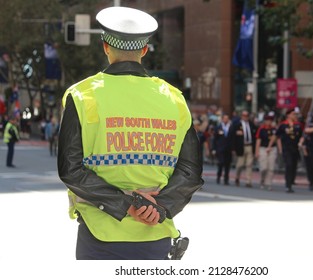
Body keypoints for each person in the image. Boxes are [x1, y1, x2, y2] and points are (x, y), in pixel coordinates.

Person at [57, 7, 203, 260]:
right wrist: (159, 206)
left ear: (105, 46)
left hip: (99, 235)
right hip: (155, 234)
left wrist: (126, 205)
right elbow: (190, 170)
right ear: (144, 50)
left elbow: (70, 169)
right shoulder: (174, 98)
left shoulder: (81, 95)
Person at [276, 108, 303, 193]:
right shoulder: (283, 125)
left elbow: (302, 136)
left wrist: (301, 142)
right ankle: (288, 185)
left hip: (295, 148)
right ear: (288, 115)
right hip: (286, 148)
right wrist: (280, 149)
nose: (295, 116)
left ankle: (291, 181)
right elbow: (278, 137)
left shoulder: (298, 125)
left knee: (294, 166)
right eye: (293, 114)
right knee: (289, 165)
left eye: (295, 114)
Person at [231, 110, 256, 187]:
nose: (245, 117)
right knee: (240, 164)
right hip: (241, 146)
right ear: (241, 116)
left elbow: (255, 136)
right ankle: (237, 177)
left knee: (249, 164)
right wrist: (233, 148)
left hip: (249, 145)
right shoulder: (237, 125)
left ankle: (248, 181)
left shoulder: (251, 124)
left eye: (247, 116)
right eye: (244, 115)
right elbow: (233, 137)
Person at [255, 113, 277, 190]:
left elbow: (275, 138)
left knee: (271, 167)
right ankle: (262, 179)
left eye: (270, 120)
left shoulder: (274, 129)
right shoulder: (261, 129)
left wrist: (270, 147)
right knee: (263, 167)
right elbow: (258, 140)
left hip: (272, 149)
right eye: (267, 120)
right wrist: (256, 151)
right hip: (262, 148)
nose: (269, 122)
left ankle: (269, 183)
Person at [213, 113, 232, 185]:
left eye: (227, 118)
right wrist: (214, 148)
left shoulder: (231, 127)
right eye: (225, 118)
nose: (226, 120)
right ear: (222, 119)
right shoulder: (218, 127)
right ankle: (218, 177)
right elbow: (215, 139)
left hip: (228, 148)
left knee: (227, 164)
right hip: (220, 148)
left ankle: (226, 179)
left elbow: (233, 138)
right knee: (221, 163)